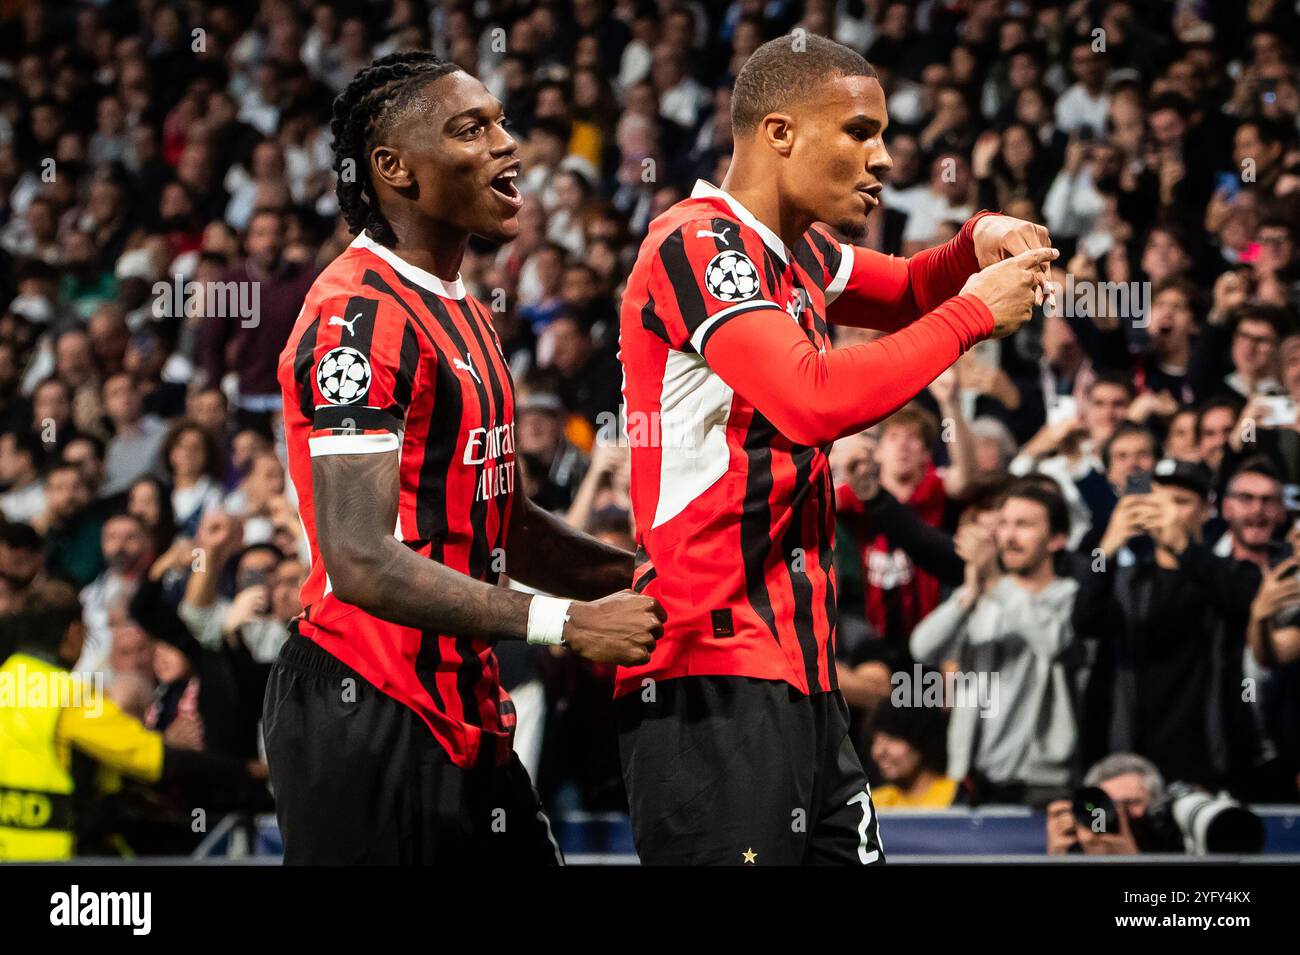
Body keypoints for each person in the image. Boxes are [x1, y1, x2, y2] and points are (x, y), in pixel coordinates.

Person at [616, 34, 1056, 866]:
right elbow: (810, 398)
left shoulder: (802, 251)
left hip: (801, 672)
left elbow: (913, 287)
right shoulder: (699, 244)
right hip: (712, 671)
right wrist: (973, 313)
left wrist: (975, 243)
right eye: (859, 132)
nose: (884, 158)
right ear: (779, 132)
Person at [266, 52, 664, 866]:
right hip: (366, 701)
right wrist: (566, 623)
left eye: (501, 122)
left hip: (460, 704)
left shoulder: (467, 311)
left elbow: (506, 521)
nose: (505, 145)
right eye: (471, 129)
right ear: (394, 169)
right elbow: (360, 560)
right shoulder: (355, 316)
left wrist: (652, 583)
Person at [910, 481, 1080, 805]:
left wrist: (995, 583)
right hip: (973, 780)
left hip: (1042, 783)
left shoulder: (1069, 596)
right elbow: (922, 649)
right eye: (1003, 524)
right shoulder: (982, 596)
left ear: (1057, 539)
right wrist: (972, 594)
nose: (1009, 536)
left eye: (1024, 525)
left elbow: (1054, 643)